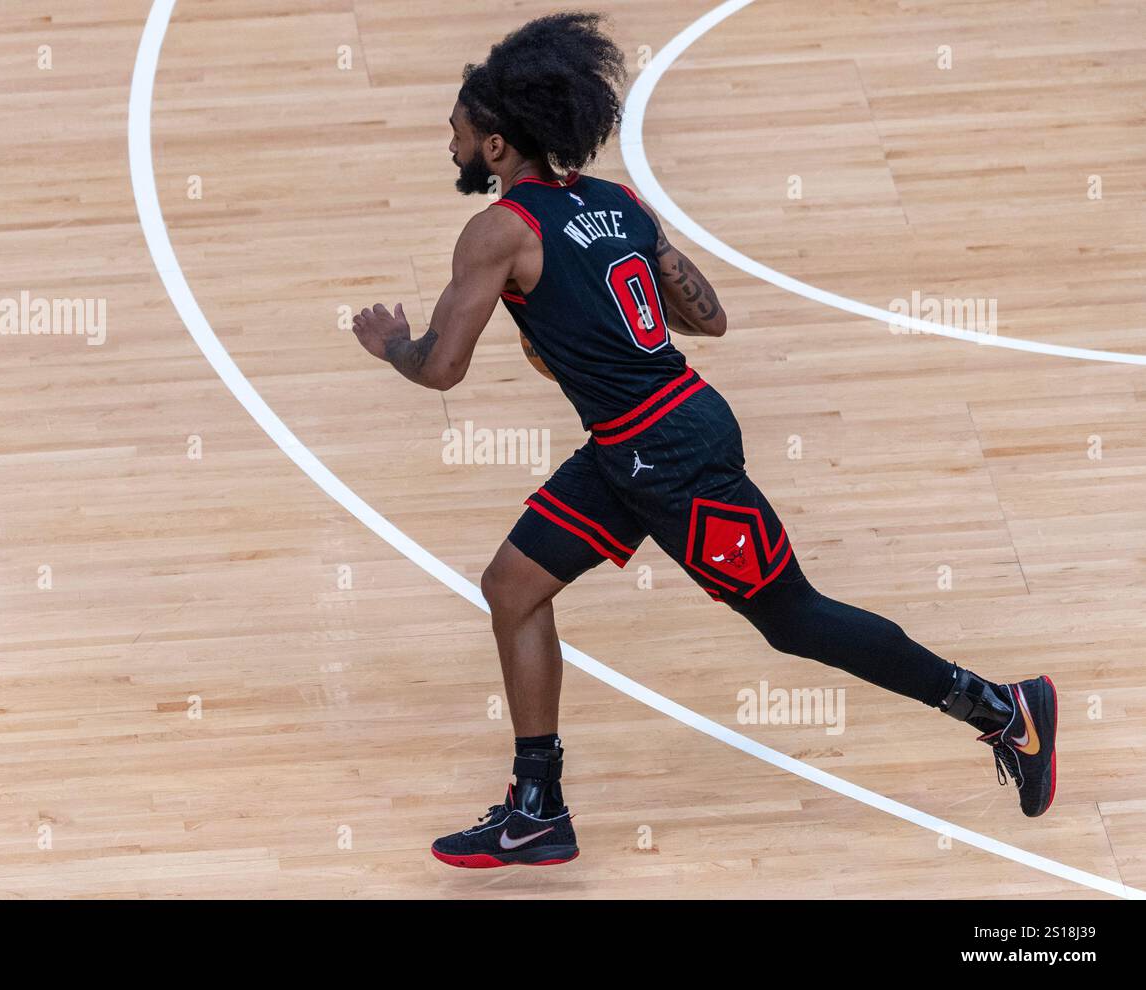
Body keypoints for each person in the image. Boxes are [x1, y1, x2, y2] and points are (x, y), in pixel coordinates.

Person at [350, 12, 1057, 869]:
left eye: (457, 131)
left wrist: (392, 345)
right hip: (646, 434)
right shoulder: (618, 205)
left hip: (664, 455)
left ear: (498, 146)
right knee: (511, 585)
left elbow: (445, 369)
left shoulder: (498, 230)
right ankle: (537, 809)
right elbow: (707, 319)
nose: (449, 142)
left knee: (793, 618)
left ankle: (1000, 708)